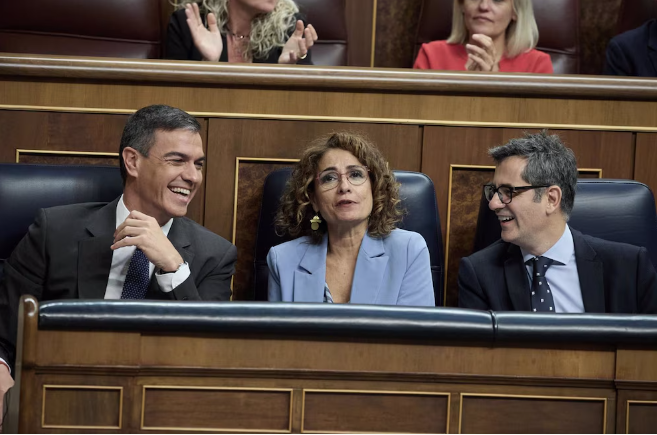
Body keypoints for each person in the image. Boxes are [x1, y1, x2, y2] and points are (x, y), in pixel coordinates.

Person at [0, 105, 237, 418]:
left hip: (157, 413)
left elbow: (212, 356)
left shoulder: (215, 255)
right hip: (58, 402)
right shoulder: (55, 232)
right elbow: (5, 331)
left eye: (198, 164)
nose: (193, 176)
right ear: (133, 161)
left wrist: (174, 268)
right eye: (177, 160)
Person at [458, 131, 657, 313]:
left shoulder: (630, 267)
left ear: (552, 199)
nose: (493, 204)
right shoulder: (480, 273)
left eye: (507, 192)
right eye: (494, 192)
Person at [267, 132, 435, 306]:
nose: (344, 187)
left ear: (374, 188)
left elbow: (414, 331)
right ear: (314, 199)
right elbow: (282, 334)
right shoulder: (282, 260)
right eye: (329, 178)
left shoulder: (408, 250)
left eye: (355, 174)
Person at [414, 0, 552, 73]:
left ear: (515, 12)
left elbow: (533, 125)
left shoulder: (537, 64)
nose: (484, 6)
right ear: (461, 5)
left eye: (497, 0)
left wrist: (493, 84)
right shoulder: (431, 54)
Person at [166, 0, 318, 64]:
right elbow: (171, 102)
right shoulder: (188, 24)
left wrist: (285, 72)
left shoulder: (292, 27)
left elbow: (309, 102)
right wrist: (209, 65)